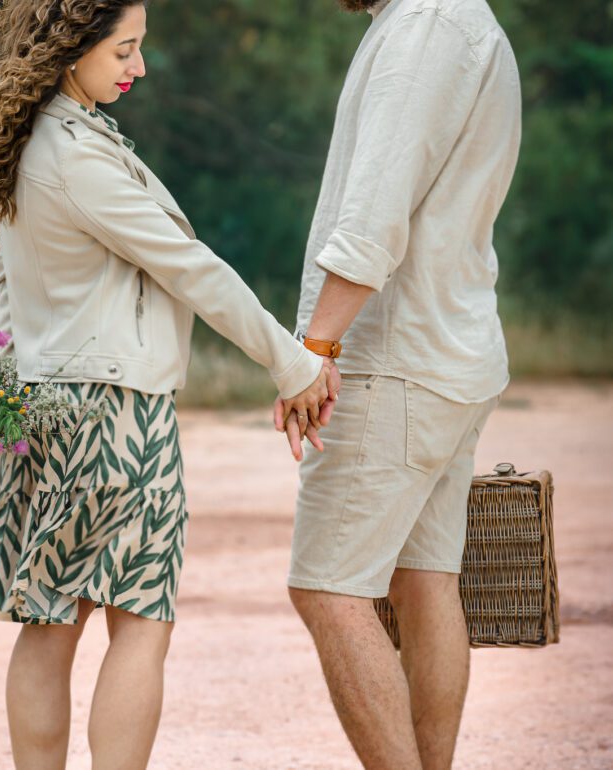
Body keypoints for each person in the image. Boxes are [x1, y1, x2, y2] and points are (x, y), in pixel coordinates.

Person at [0, 1, 338, 768]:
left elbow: (2, 287)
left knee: (49, 625)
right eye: (125, 50)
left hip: (46, 411)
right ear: (69, 47)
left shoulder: (38, 141)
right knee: (141, 624)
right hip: (115, 414)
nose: (139, 67)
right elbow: (189, 268)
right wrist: (295, 363)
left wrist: (1, 388)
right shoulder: (75, 154)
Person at [275, 0, 521, 768]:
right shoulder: (467, 22)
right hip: (448, 351)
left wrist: (313, 347)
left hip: (393, 356)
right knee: (424, 585)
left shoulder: (425, 25)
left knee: (329, 589)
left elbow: (374, 215)